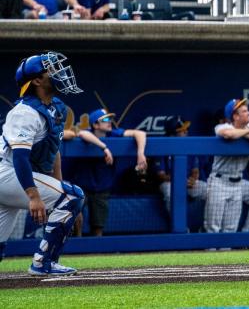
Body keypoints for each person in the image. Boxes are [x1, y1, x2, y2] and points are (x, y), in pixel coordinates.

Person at [0, 52, 85, 275]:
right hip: (6, 171)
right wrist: (34, 196)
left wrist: (61, 193)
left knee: (69, 197)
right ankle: (42, 263)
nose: (58, 72)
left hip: (10, 175)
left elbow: (53, 150)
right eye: (50, 69)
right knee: (73, 195)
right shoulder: (25, 112)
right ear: (37, 80)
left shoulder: (55, 107)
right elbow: (19, 157)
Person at [67, 108, 148, 236]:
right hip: (83, 187)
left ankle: (95, 254)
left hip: (102, 187)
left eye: (110, 119)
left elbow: (140, 134)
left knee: (98, 227)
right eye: (105, 119)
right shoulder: (88, 133)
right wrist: (104, 148)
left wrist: (140, 153)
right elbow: (82, 134)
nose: (109, 122)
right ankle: (77, 248)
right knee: (76, 219)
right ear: (95, 125)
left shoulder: (113, 134)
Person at [204, 99, 249, 234]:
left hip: (238, 183)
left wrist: (246, 132)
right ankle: (210, 253)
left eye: (248, 110)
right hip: (219, 181)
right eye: (245, 111)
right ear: (235, 116)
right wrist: (248, 133)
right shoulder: (222, 126)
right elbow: (229, 134)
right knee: (213, 228)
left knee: (230, 229)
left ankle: (228, 252)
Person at [155, 116, 207, 214]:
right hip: (169, 182)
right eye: (182, 130)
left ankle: (206, 226)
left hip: (187, 182)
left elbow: (195, 170)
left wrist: (193, 179)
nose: (186, 132)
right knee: (170, 193)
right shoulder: (162, 147)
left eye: (186, 129)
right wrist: (179, 180)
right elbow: (161, 175)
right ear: (172, 135)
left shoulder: (189, 146)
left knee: (209, 191)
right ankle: (176, 226)